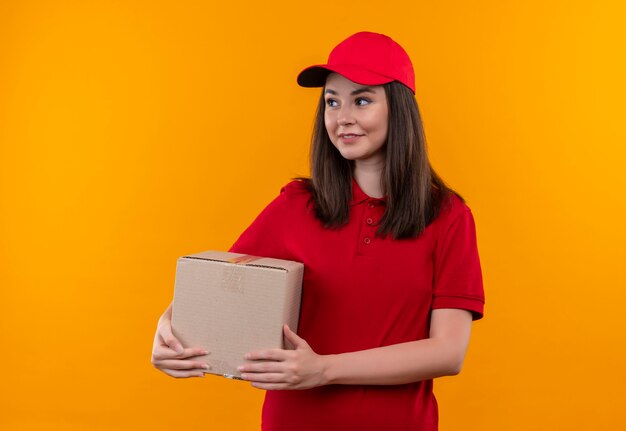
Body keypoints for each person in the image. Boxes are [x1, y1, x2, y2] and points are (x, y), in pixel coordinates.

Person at [151, 31, 485, 430]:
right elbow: (224, 288)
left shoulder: (447, 217)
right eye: (331, 101)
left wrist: (324, 369)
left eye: (361, 100)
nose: (342, 116)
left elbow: (448, 352)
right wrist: (168, 331)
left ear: (398, 108)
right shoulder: (296, 205)